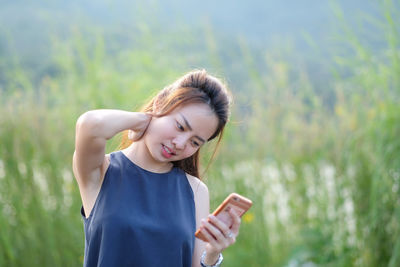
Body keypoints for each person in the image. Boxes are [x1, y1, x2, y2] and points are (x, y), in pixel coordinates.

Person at [73, 69, 243, 267]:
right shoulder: (102, 170)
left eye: (195, 142)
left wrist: (213, 253)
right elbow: (90, 124)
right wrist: (143, 120)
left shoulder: (195, 191)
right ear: (161, 102)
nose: (180, 143)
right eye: (180, 126)